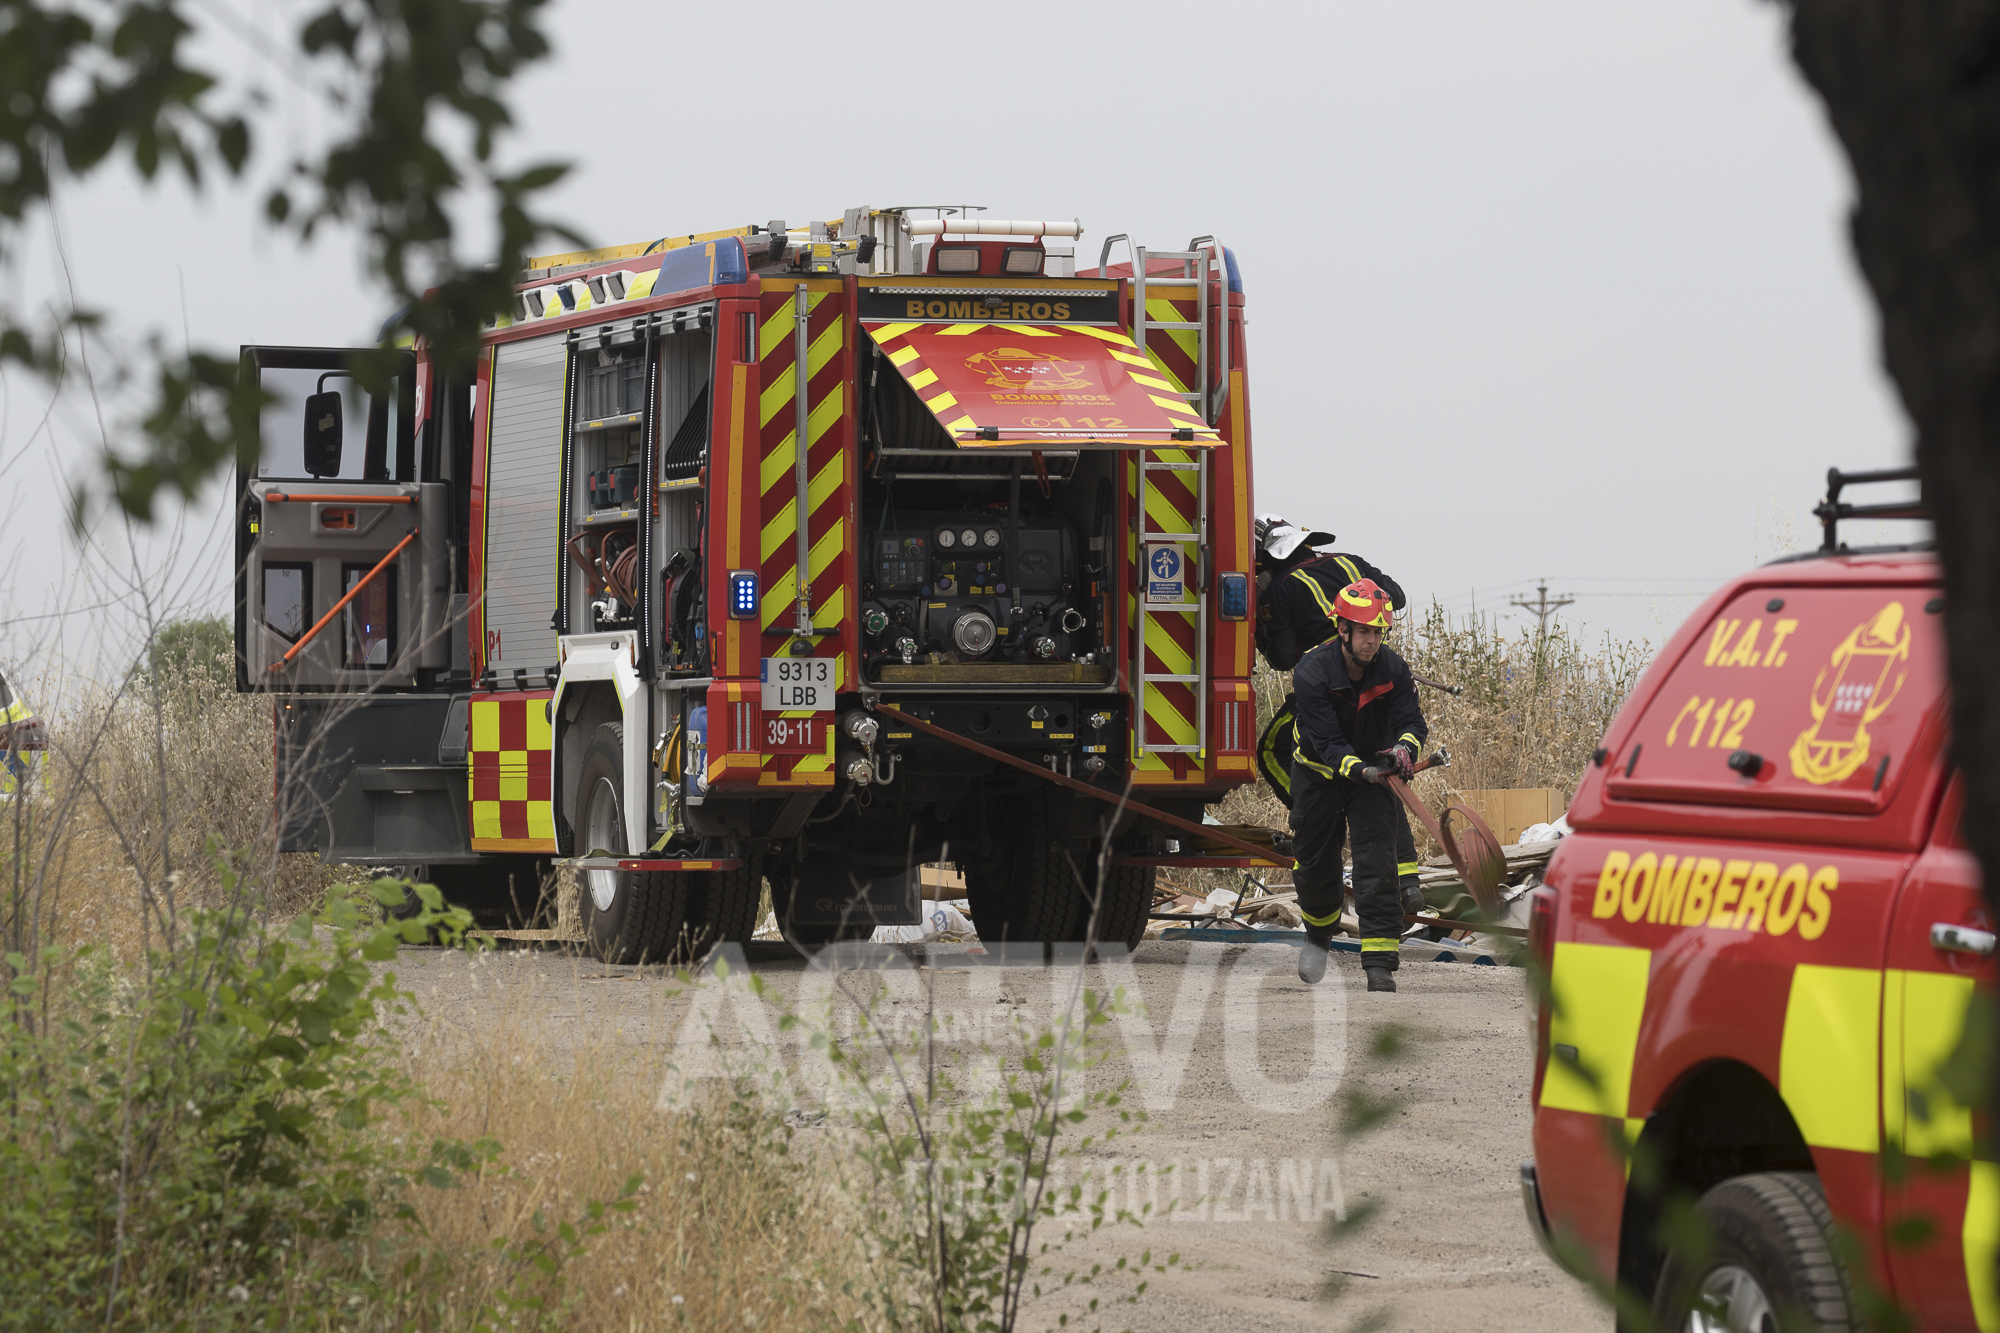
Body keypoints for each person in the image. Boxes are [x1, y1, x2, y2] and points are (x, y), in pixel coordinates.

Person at [1251, 514, 1424, 914]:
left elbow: (1280, 658)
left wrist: (1263, 624)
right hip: (1379, 676)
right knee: (1381, 766)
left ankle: (1315, 817)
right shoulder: (1351, 561)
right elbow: (1393, 598)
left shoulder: (1279, 588)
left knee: (1274, 748)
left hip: (1329, 684)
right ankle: (1408, 880)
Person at [1288, 578, 1428, 992]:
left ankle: (1380, 962)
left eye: (1378, 633)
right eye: (1364, 632)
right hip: (1318, 775)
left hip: (1373, 778)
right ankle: (1317, 938)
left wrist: (1404, 749)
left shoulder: (1393, 669)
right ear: (1342, 630)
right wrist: (1360, 769)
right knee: (1314, 867)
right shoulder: (1311, 673)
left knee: (1378, 865)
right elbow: (1328, 744)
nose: (1372, 641)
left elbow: (1412, 723)